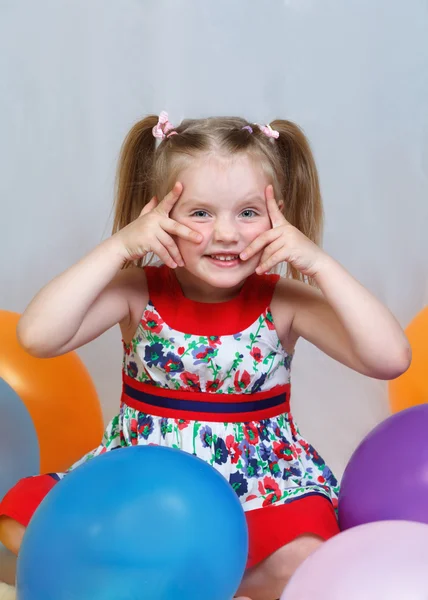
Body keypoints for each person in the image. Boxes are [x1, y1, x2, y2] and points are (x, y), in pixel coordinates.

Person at [0, 112, 411, 600]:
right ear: (161, 217)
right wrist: (119, 247)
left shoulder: (283, 301)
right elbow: (37, 336)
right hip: (146, 490)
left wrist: (318, 264)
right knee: (18, 523)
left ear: (277, 217)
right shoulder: (138, 292)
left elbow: (391, 358)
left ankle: (193, 581)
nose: (226, 234)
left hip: (260, 489)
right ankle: (176, 574)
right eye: (200, 213)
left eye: (248, 212)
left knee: (304, 556)